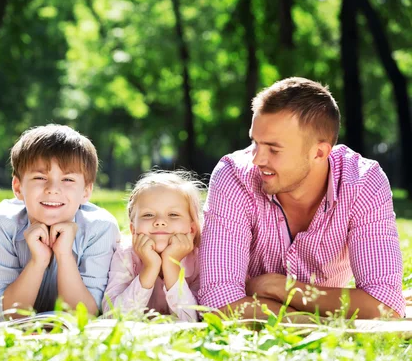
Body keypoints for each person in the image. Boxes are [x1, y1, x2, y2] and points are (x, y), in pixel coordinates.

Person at [198, 77, 405, 319]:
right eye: (255, 143)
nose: (257, 159)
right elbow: (218, 300)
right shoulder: (233, 176)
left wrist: (281, 288)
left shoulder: (362, 182)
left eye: (274, 149)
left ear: (319, 152)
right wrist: (306, 320)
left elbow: (385, 305)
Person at [0, 124, 120, 317]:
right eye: (40, 177)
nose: (53, 189)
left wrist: (64, 256)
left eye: (68, 180)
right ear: (18, 187)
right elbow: (5, 315)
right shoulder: (3, 222)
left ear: (86, 191)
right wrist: (38, 261)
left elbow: (85, 316)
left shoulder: (100, 227)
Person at [103, 171, 201, 321]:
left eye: (173, 215)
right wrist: (150, 268)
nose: (160, 221)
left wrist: (171, 264)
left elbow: (194, 319)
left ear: (192, 229)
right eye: (148, 215)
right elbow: (112, 317)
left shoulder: (200, 258)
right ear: (133, 230)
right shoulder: (125, 255)